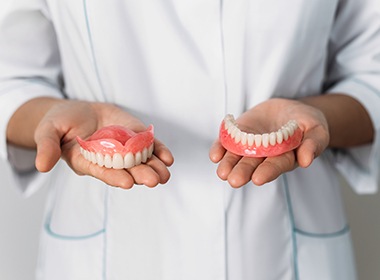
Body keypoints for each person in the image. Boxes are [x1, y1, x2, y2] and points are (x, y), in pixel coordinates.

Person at [0, 0, 379, 279]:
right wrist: (49, 119)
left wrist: (318, 118)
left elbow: (372, 74)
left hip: (278, 253)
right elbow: (11, 77)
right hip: (106, 255)